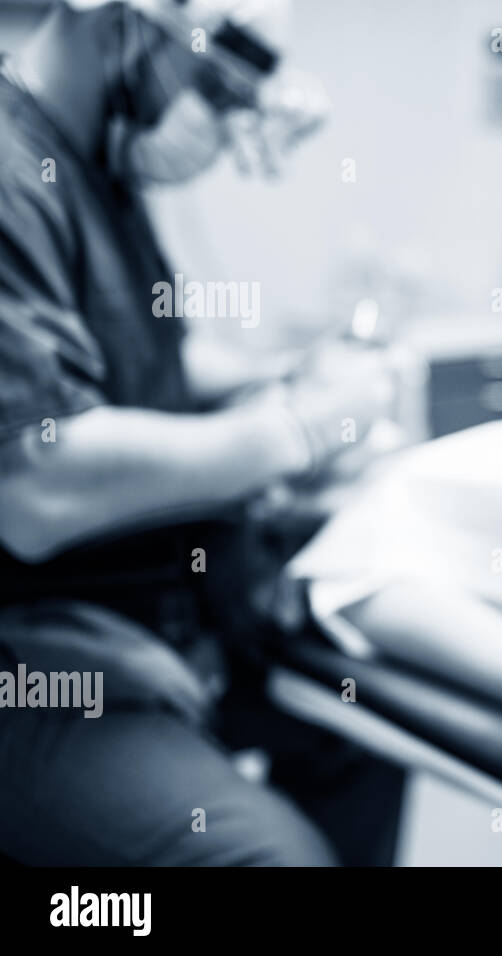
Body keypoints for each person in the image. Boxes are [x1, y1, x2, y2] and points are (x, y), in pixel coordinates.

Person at [0, 0, 400, 865]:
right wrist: (291, 430)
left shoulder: (95, 172)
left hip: (168, 614)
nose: (213, 123)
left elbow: (152, 366)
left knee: (375, 729)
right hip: (39, 657)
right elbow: (37, 484)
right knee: (274, 860)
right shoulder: (8, 168)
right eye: (210, 86)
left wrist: (289, 375)